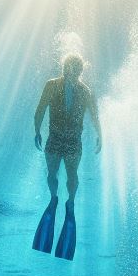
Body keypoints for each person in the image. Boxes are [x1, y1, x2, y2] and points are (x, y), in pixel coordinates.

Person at [32, 52, 102, 260]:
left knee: (72, 176)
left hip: (72, 141)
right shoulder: (51, 84)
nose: (72, 71)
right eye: (69, 67)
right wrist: (37, 130)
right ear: (64, 68)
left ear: (80, 71)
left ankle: (69, 201)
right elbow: (40, 109)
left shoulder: (85, 91)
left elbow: (94, 115)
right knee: (52, 174)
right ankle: (54, 199)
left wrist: (100, 134)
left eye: (76, 69)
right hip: (55, 138)